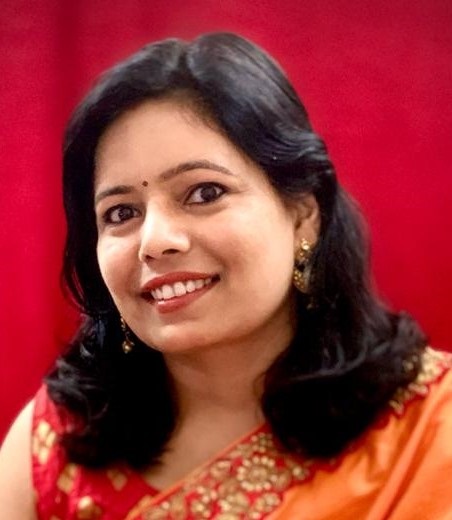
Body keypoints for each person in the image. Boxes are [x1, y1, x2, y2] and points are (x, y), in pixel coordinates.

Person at [0, 32, 451, 520]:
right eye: (121, 212)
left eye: (204, 193)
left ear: (303, 214)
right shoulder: (58, 442)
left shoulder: (429, 430)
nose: (154, 241)